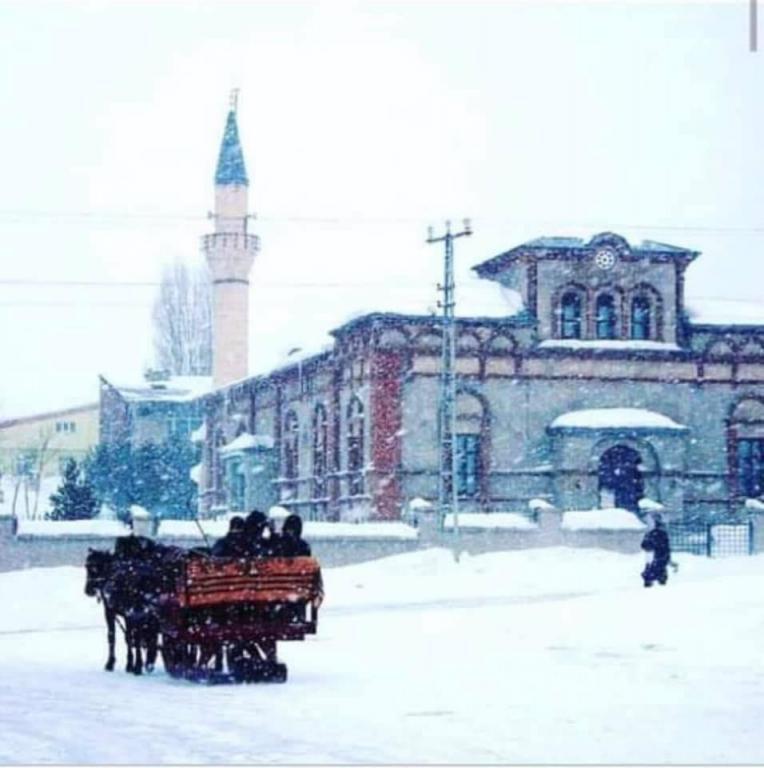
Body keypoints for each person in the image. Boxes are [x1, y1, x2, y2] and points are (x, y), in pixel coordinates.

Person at [641, 513, 672, 587]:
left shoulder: (652, 533)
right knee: (658, 568)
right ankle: (659, 579)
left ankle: (651, 579)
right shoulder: (659, 533)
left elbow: (645, 544)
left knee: (653, 568)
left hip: (656, 554)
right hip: (659, 554)